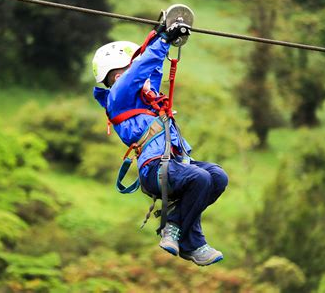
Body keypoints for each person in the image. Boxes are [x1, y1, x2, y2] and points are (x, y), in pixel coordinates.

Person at [92, 22, 228, 266]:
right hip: (155, 168)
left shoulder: (146, 98)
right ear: (118, 73)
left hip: (175, 162)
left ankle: (187, 239)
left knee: (217, 176)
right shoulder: (118, 97)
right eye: (130, 67)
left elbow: (152, 71)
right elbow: (141, 70)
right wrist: (163, 42)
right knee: (200, 178)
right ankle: (175, 227)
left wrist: (160, 36)